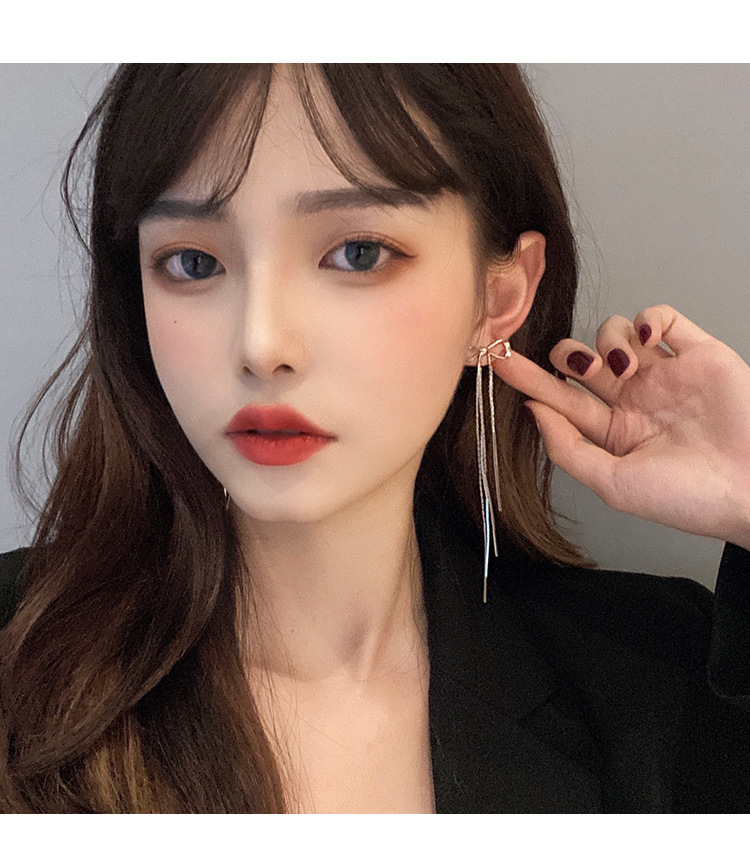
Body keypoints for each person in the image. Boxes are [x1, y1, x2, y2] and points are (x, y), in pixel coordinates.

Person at [0, 63, 749, 814]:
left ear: (499, 297)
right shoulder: (17, 649)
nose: (262, 346)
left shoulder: (660, 684)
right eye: (193, 262)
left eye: (358, 252)